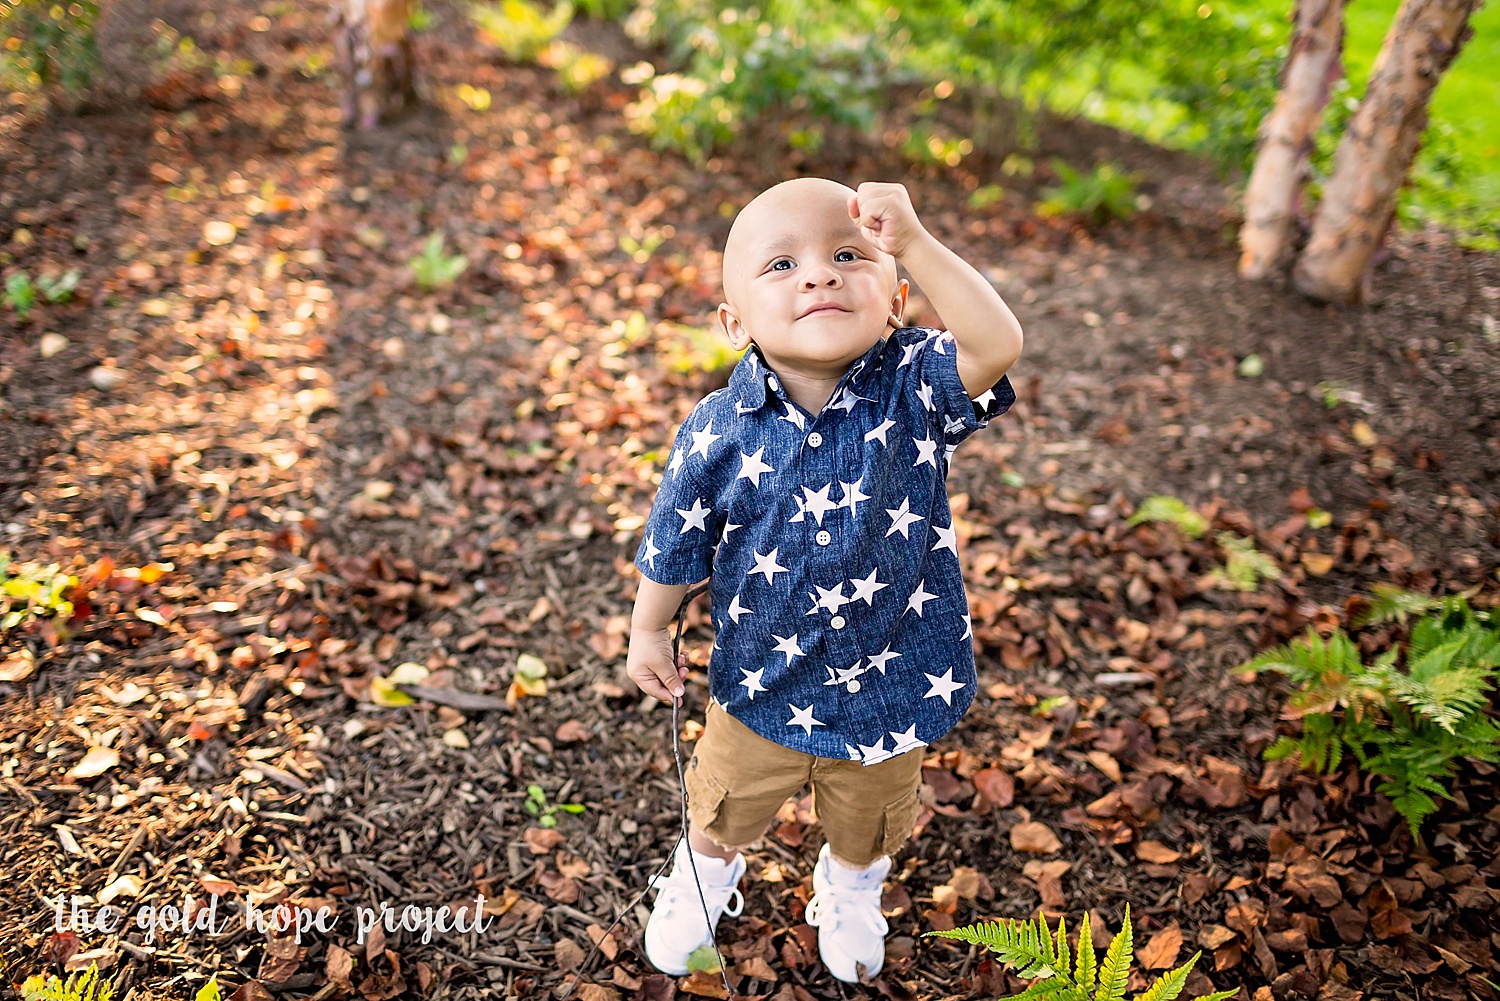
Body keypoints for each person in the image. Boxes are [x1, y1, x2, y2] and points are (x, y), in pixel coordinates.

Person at [625, 176, 1023, 983]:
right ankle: (704, 875)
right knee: (725, 803)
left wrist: (911, 236)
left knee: (867, 820)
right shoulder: (718, 427)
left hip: (893, 680)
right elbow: (675, 540)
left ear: (896, 298)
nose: (818, 274)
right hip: (761, 684)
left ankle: (849, 889)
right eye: (782, 265)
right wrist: (647, 626)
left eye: (848, 254)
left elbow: (997, 343)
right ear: (734, 321)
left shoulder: (915, 386)